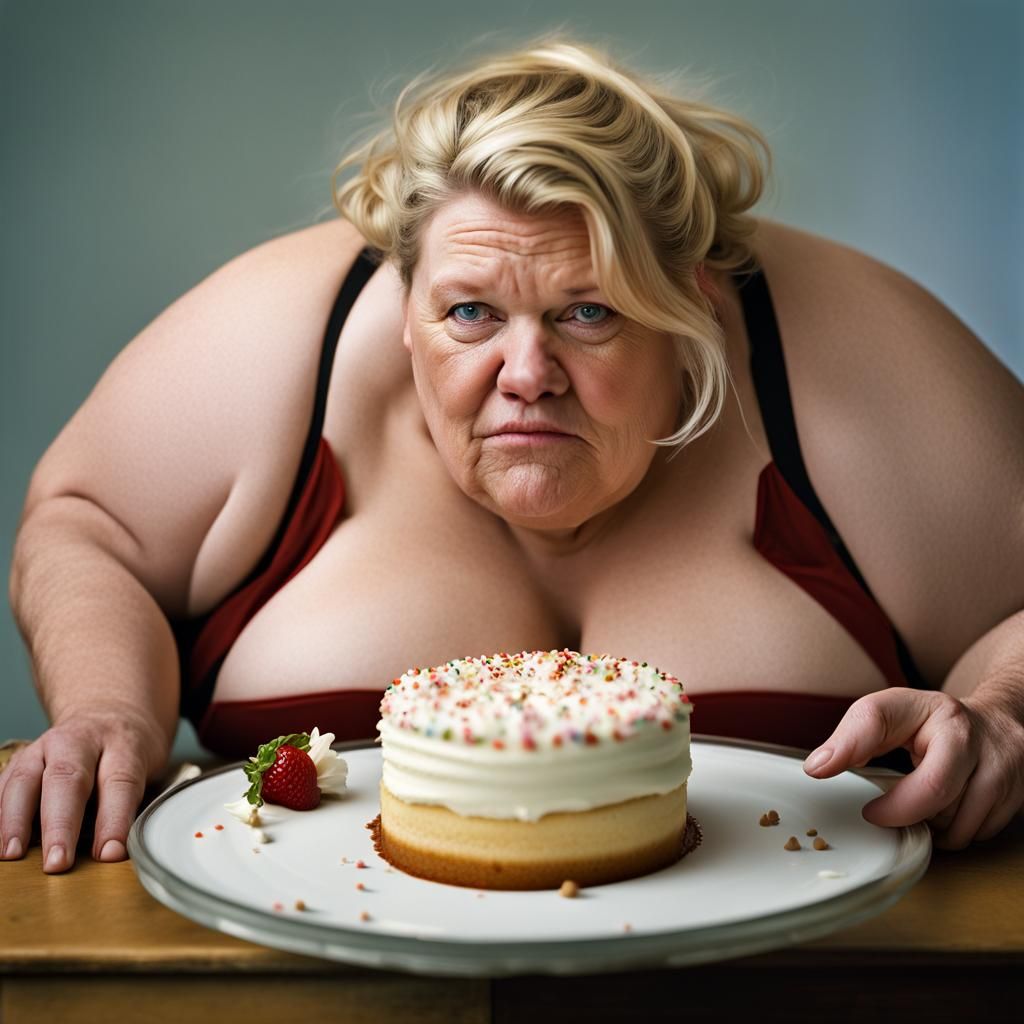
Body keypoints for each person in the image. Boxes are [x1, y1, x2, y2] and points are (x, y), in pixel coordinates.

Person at [3, 39, 1022, 876]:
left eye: (589, 311)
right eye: (469, 313)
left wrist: (999, 714)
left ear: (692, 311)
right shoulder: (269, 343)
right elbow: (85, 526)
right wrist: (105, 707)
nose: (525, 372)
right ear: (404, 310)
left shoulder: (855, 361)